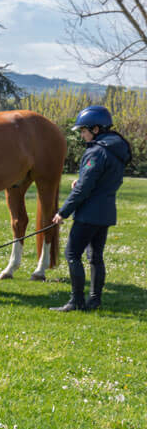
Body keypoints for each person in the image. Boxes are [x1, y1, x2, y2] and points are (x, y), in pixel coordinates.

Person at [49, 105, 131, 312]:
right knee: (95, 257)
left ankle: (76, 301)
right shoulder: (116, 151)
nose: (82, 135)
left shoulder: (96, 152)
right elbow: (100, 181)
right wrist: (83, 182)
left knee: (72, 254)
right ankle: (94, 300)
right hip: (105, 213)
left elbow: (83, 190)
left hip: (88, 215)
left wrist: (62, 212)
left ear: (96, 129)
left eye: (83, 131)